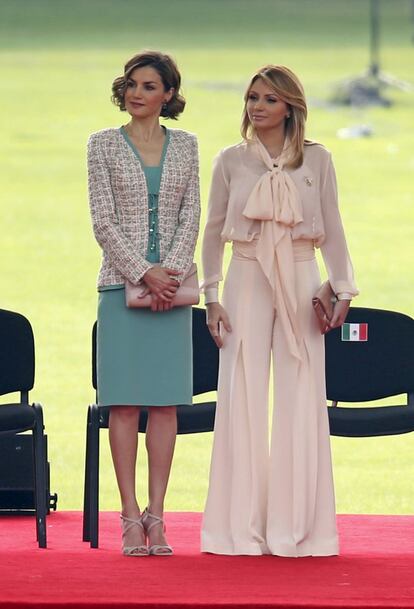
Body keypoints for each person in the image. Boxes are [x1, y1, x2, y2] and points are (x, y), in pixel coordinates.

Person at [200, 65, 358, 557]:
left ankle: (298, 531)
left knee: (302, 393)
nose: (257, 106)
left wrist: (343, 288)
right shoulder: (230, 160)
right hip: (246, 276)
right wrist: (212, 295)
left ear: (290, 106)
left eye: (268, 99)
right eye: (251, 98)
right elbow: (212, 230)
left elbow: (331, 226)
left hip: (300, 275)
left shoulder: (318, 160)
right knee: (240, 392)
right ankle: (237, 531)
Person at [87, 51, 200, 556]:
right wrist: (144, 273)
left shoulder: (189, 147)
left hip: (173, 293)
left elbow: (192, 214)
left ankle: (158, 516)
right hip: (120, 287)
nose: (137, 93)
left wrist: (168, 277)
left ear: (168, 95)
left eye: (149, 86)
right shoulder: (101, 146)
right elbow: (103, 222)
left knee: (164, 403)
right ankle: (129, 515)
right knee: (126, 404)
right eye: (132, 84)